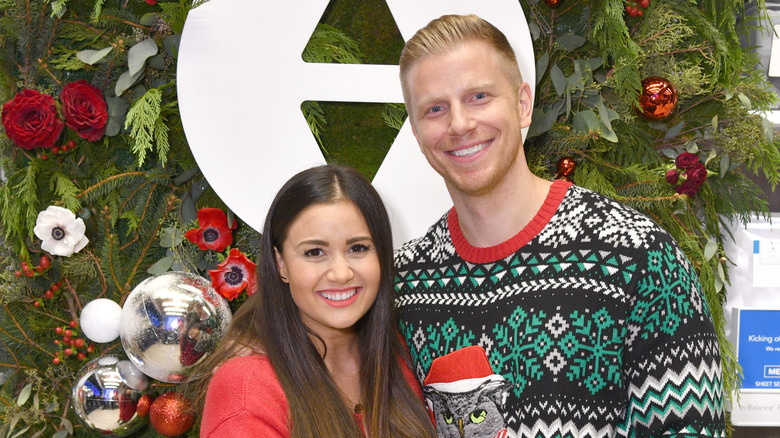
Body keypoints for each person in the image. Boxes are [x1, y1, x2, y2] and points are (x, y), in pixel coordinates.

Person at [394, 14, 725, 438]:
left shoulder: (638, 259)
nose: (459, 123)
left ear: (522, 104)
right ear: (418, 133)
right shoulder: (406, 284)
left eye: (478, 96)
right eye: (435, 108)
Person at [189, 165, 436, 438]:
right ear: (280, 263)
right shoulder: (248, 389)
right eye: (315, 252)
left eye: (358, 248)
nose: (341, 274)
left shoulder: (401, 354)